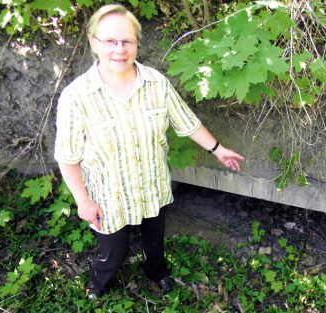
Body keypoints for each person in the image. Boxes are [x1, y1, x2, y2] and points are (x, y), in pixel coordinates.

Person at [54, 4, 244, 298]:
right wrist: (83, 202)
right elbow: (67, 157)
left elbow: (187, 123)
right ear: (93, 42)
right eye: (110, 41)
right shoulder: (76, 97)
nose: (120, 49)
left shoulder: (157, 83)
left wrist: (218, 150)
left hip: (151, 189)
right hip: (109, 199)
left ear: (137, 43)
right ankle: (99, 282)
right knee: (112, 254)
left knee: (154, 244)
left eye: (127, 40)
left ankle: (156, 271)